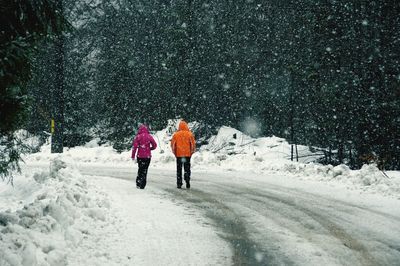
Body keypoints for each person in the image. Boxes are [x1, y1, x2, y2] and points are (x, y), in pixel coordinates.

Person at [171, 120, 196, 189]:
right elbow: (193, 145)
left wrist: (175, 153)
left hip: (179, 155)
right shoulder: (190, 134)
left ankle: (179, 183)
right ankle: (187, 179)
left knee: (179, 169)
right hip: (187, 155)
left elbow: (173, 145)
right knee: (187, 168)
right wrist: (191, 153)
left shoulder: (176, 135)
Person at [131, 124, 157, 189]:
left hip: (140, 156)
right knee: (145, 170)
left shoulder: (138, 137)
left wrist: (133, 156)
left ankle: (138, 183)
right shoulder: (149, 136)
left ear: (140, 130)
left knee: (140, 169)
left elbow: (135, 147)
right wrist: (150, 148)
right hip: (147, 156)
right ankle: (143, 184)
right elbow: (155, 145)